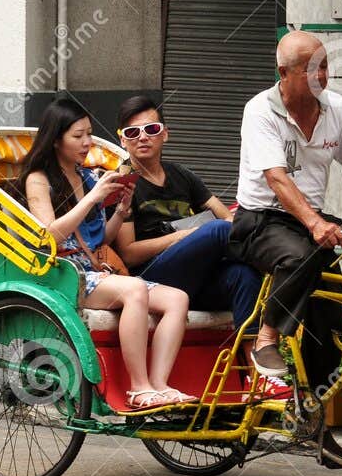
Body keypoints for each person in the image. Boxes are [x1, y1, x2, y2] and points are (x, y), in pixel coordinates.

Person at [229, 31, 342, 468]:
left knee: (329, 315)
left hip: (312, 225)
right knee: (301, 254)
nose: (321, 74)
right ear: (284, 74)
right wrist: (314, 222)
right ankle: (267, 339)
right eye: (311, 68)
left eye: (324, 64)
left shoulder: (336, 108)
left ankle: (312, 417)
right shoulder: (260, 110)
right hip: (261, 222)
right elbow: (277, 179)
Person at [19, 99, 194, 410]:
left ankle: (159, 384)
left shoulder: (87, 176)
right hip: (66, 273)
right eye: (78, 136)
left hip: (97, 269)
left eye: (88, 134)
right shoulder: (39, 179)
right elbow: (49, 236)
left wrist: (120, 212)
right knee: (136, 288)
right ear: (56, 138)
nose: (87, 142)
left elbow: (102, 239)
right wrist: (93, 199)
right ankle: (138, 387)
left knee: (177, 299)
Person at [110, 95, 263, 339]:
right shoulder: (121, 182)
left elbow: (227, 218)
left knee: (243, 276)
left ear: (165, 134)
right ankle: (274, 260)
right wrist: (183, 237)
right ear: (122, 140)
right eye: (132, 132)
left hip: (195, 277)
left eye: (151, 129)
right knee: (216, 231)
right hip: (151, 278)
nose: (142, 137)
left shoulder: (181, 174)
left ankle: (254, 369)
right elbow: (128, 253)